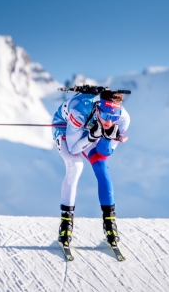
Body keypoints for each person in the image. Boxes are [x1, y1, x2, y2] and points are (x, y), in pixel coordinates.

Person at [52, 89, 130, 247]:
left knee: (102, 167)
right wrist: (92, 136)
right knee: (76, 165)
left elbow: (104, 152)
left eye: (113, 117)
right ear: (97, 109)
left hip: (90, 130)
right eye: (106, 115)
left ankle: (110, 226)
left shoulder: (123, 119)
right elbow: (74, 149)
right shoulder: (79, 111)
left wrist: (107, 138)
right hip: (66, 125)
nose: (109, 121)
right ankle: (65, 226)